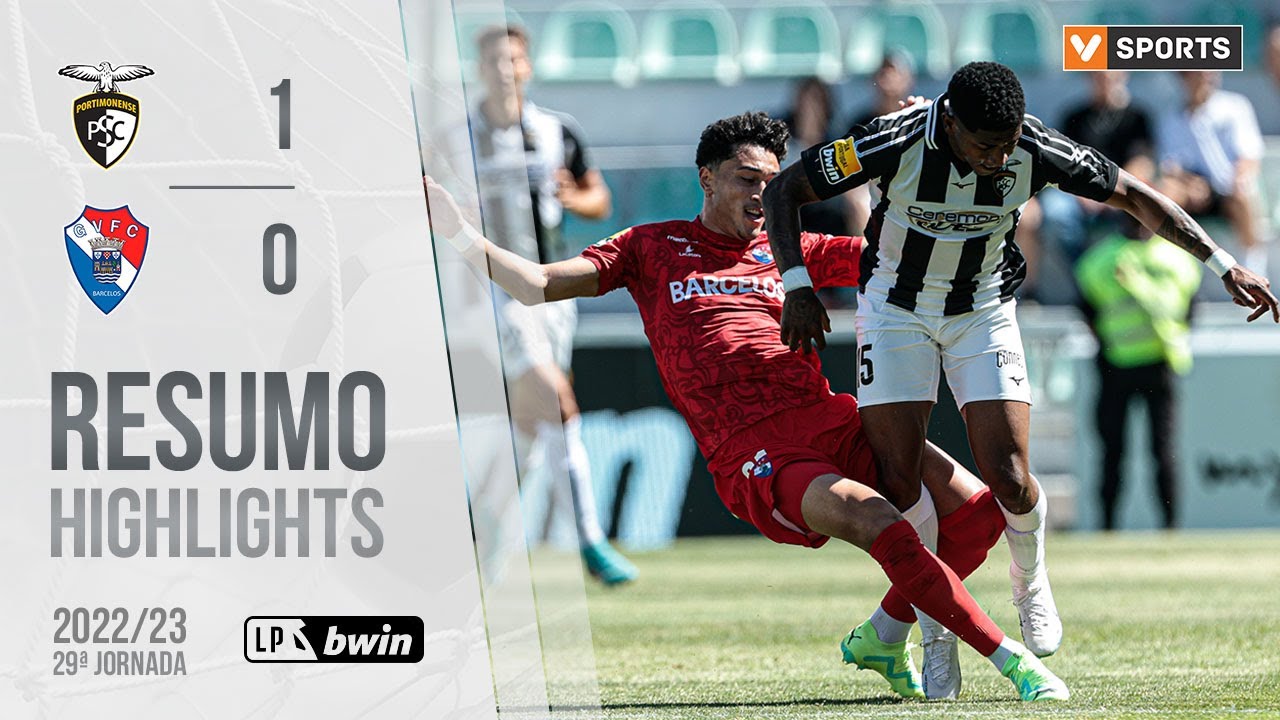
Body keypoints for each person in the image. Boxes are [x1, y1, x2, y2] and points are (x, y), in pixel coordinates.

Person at [426, 111, 1070, 702]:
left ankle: (881, 634)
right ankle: (1010, 660)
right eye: (746, 179)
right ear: (707, 178)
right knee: (878, 519)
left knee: (980, 515)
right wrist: (458, 233)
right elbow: (537, 283)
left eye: (771, 182)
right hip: (755, 449)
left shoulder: (792, 250)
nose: (762, 194)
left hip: (832, 418)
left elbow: (903, 261)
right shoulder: (650, 248)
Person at [762, 60, 1278, 667]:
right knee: (899, 480)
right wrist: (796, 285)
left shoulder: (1033, 145)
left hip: (982, 309)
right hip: (895, 310)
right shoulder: (892, 139)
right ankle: (935, 629)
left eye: (1007, 144)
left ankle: (1029, 580)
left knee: (1009, 475)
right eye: (986, 146)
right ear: (950, 124)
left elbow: (1135, 195)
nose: (1000, 158)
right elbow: (783, 189)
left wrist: (1224, 263)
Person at [446, 25, 636, 584]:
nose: (505, 70)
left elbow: (599, 199)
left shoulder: (557, 131)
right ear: (480, 70)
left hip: (553, 289)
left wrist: (572, 195)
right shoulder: (455, 138)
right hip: (494, 293)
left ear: (527, 67)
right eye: (494, 61)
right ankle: (592, 543)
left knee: (531, 425)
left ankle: (483, 526)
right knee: (557, 401)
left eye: (514, 60)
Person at [1075, 217, 1202, 531]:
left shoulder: (1098, 259)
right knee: (1138, 451)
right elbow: (1189, 312)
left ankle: (1146, 527)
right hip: (1143, 364)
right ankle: (1147, 527)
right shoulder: (1177, 259)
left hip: (1128, 363)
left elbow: (1088, 312)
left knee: (1141, 451)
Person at [1156, 71, 1267, 275]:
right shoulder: (1171, 117)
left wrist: (1237, 180)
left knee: (1242, 191)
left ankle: (1254, 267)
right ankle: (1163, 264)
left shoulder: (1236, 106)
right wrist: (1192, 184)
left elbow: (1249, 156)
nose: (1208, 77)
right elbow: (1171, 167)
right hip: (1193, 189)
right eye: (1200, 73)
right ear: (1183, 77)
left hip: (1228, 191)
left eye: (1211, 72)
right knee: (1166, 194)